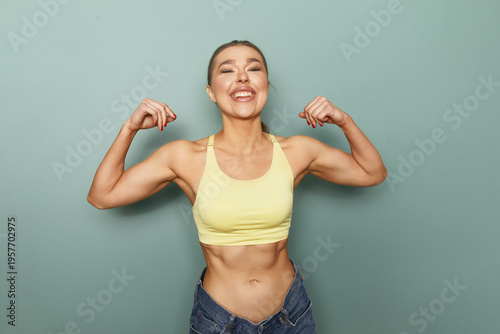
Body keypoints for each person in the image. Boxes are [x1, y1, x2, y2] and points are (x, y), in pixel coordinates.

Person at [87, 40, 387, 333]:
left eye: (253, 68)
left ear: (266, 85)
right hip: (219, 322)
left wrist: (344, 121)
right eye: (227, 70)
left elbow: (372, 173)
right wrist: (130, 129)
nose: (242, 76)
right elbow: (103, 195)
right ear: (211, 92)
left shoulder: (297, 151)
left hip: (291, 316)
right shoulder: (184, 156)